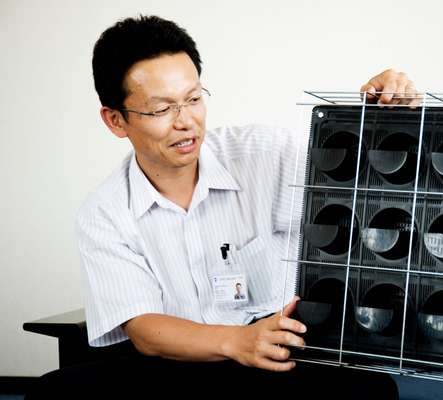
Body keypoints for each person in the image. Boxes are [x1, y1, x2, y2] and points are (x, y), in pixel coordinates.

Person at [26, 15, 418, 400]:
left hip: (280, 352)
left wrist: (385, 120)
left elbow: (359, 192)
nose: (187, 122)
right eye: (162, 110)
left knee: (369, 392)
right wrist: (235, 341)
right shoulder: (105, 213)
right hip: (176, 364)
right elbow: (145, 329)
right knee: (52, 393)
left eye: (193, 99)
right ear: (115, 120)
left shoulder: (263, 154)